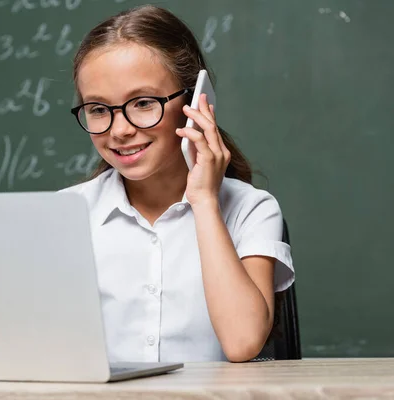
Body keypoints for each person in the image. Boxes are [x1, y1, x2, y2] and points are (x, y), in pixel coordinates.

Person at [61, 5, 294, 363]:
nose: (119, 129)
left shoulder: (252, 209)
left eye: (142, 103)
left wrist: (204, 201)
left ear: (195, 102)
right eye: (97, 108)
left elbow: (243, 341)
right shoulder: (64, 214)